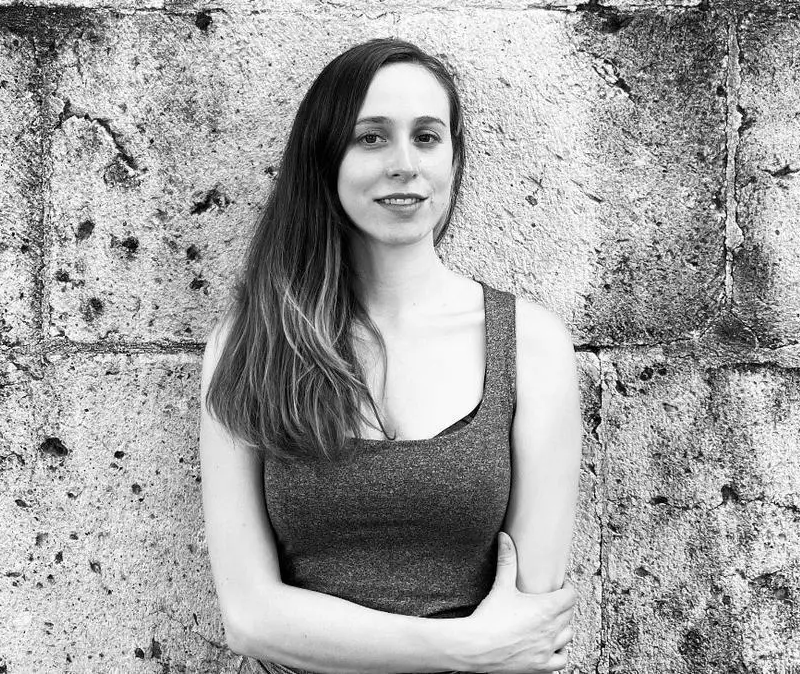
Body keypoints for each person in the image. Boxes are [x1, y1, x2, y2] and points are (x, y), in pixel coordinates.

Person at [198, 38, 582, 674]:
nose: (405, 164)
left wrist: (489, 649)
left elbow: (527, 628)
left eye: (427, 137)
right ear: (325, 156)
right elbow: (250, 618)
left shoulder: (531, 346)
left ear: (453, 159)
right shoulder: (251, 343)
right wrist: (463, 647)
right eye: (371, 137)